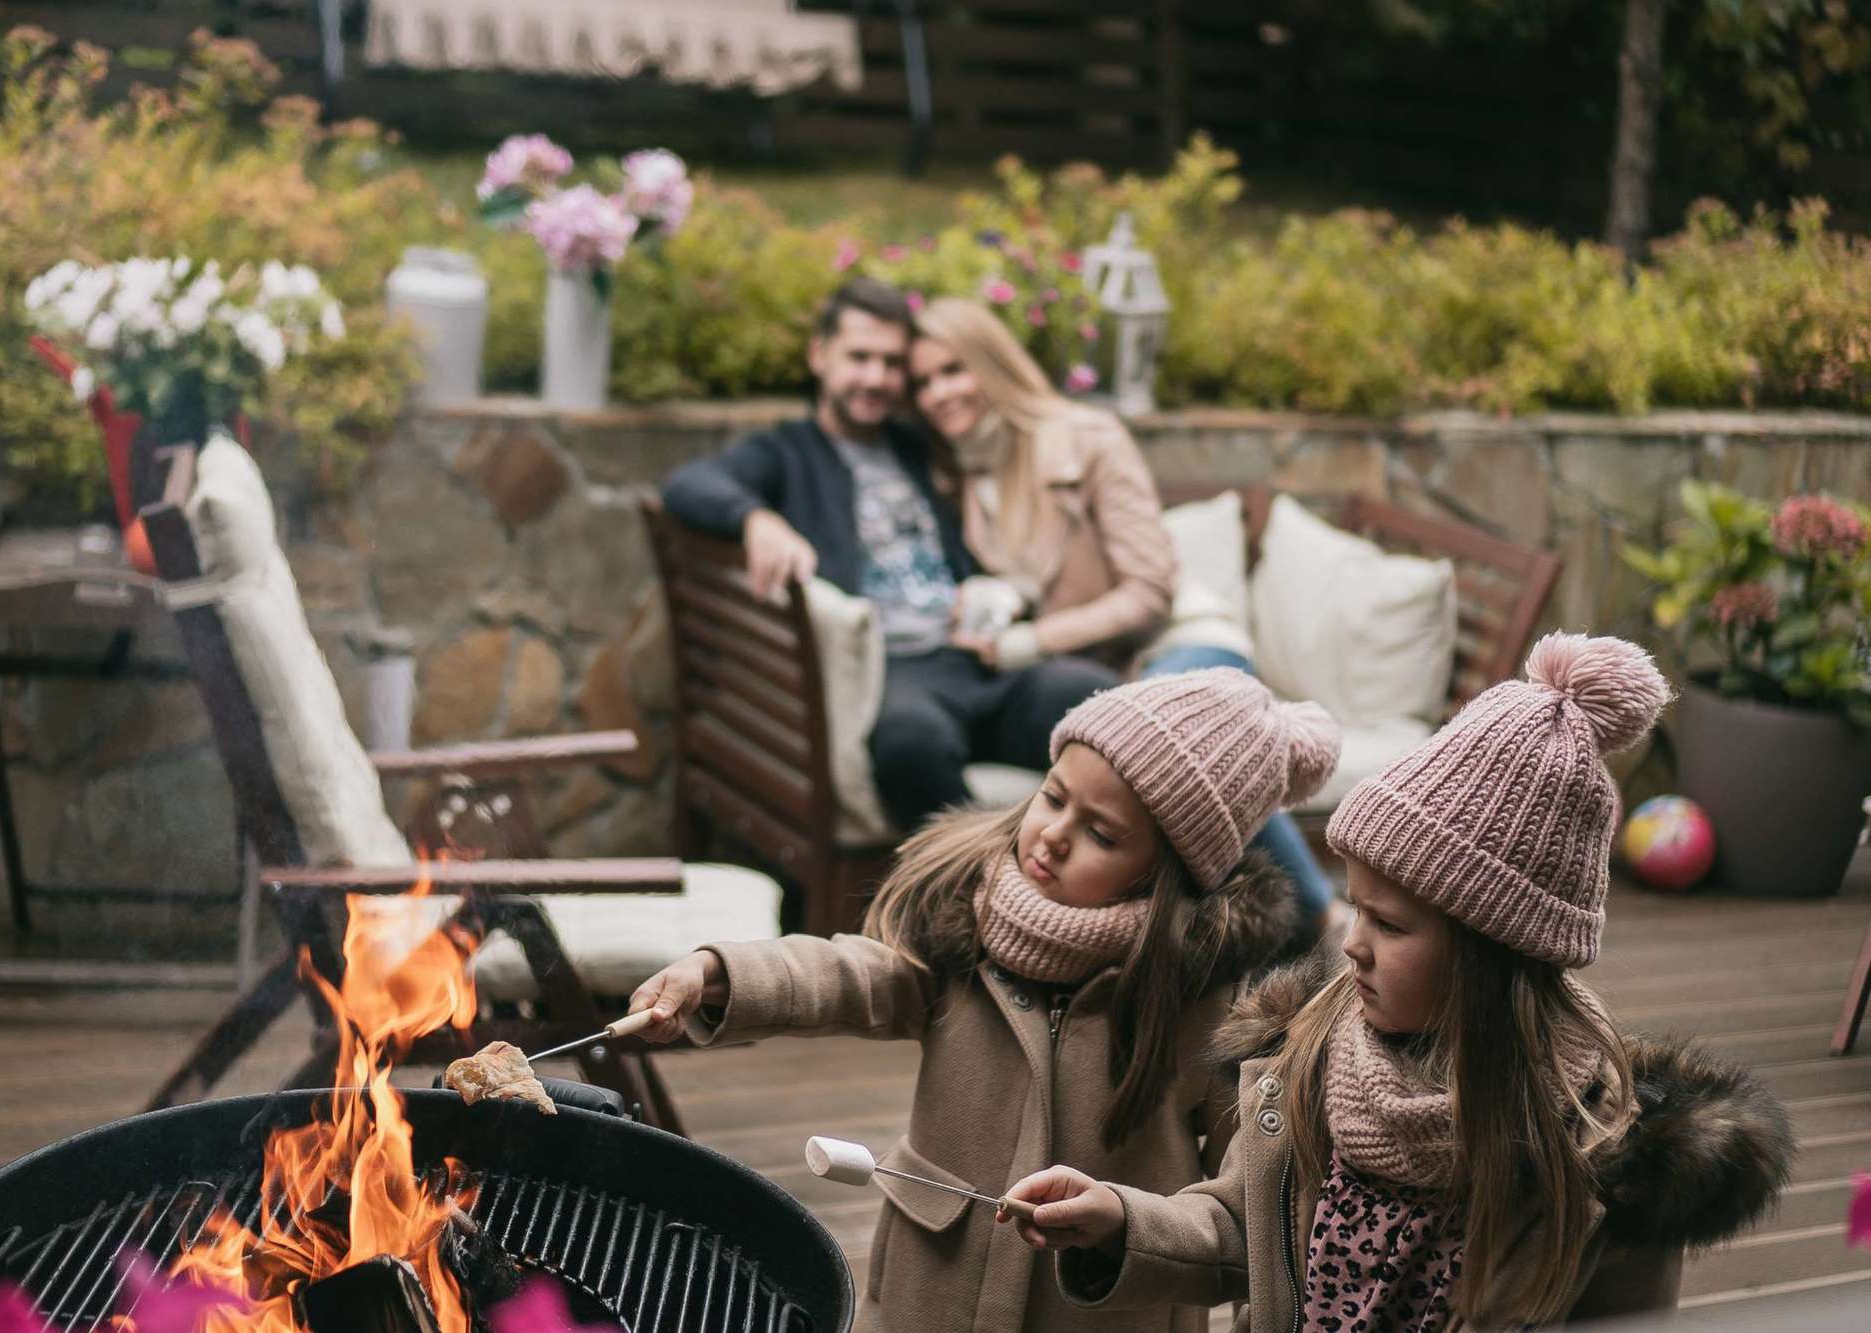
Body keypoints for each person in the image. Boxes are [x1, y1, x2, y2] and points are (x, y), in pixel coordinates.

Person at [1002, 634, 1795, 1331]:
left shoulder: (1601, 1163)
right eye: (1357, 909)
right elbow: (1242, 1228)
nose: (1351, 944)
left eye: (1389, 924)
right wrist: (1121, 1221)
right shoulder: (1311, 1060)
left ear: (1492, 952)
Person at [626, 670, 1341, 1332]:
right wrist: (718, 975)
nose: (1054, 836)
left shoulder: (1214, 1009)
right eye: (1053, 796)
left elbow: (1240, 1218)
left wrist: (1126, 1223)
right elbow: (854, 972)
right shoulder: (968, 923)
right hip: (925, 1298)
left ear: (1166, 875)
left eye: (1101, 833)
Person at [909, 296, 1338, 929]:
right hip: (1107, 676)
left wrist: (1031, 641)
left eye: (952, 370)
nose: (937, 393)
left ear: (992, 362)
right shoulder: (966, 475)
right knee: (1132, 761)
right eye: (922, 382)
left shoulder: (1087, 437)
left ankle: (1321, 919)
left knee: (1171, 752)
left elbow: (1149, 590)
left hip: (1181, 643)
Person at [660, 278, 1116, 831]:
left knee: (1104, 703)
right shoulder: (787, 454)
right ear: (819, 354)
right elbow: (688, 483)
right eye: (859, 358)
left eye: (891, 363)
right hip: (889, 673)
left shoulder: (918, 447)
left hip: (973, 656)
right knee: (911, 743)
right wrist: (756, 519)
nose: (875, 378)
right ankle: (978, 892)